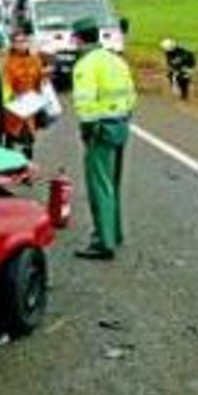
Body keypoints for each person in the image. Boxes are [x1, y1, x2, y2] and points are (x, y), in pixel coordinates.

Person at [71, 17, 136, 261]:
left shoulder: (85, 65)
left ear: (78, 38)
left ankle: (103, 242)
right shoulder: (116, 60)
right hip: (120, 126)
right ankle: (115, 232)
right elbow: (131, 95)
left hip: (100, 130)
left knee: (100, 187)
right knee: (113, 184)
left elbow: (85, 106)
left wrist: (87, 132)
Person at [2, 30, 45, 158]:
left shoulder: (35, 60)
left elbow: (39, 81)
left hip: (31, 108)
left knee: (28, 142)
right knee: (12, 141)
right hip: (14, 109)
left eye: (24, 41)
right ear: (12, 44)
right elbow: (5, 85)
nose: (21, 44)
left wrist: (39, 100)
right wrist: (13, 98)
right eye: (17, 42)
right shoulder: (8, 62)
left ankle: (27, 170)